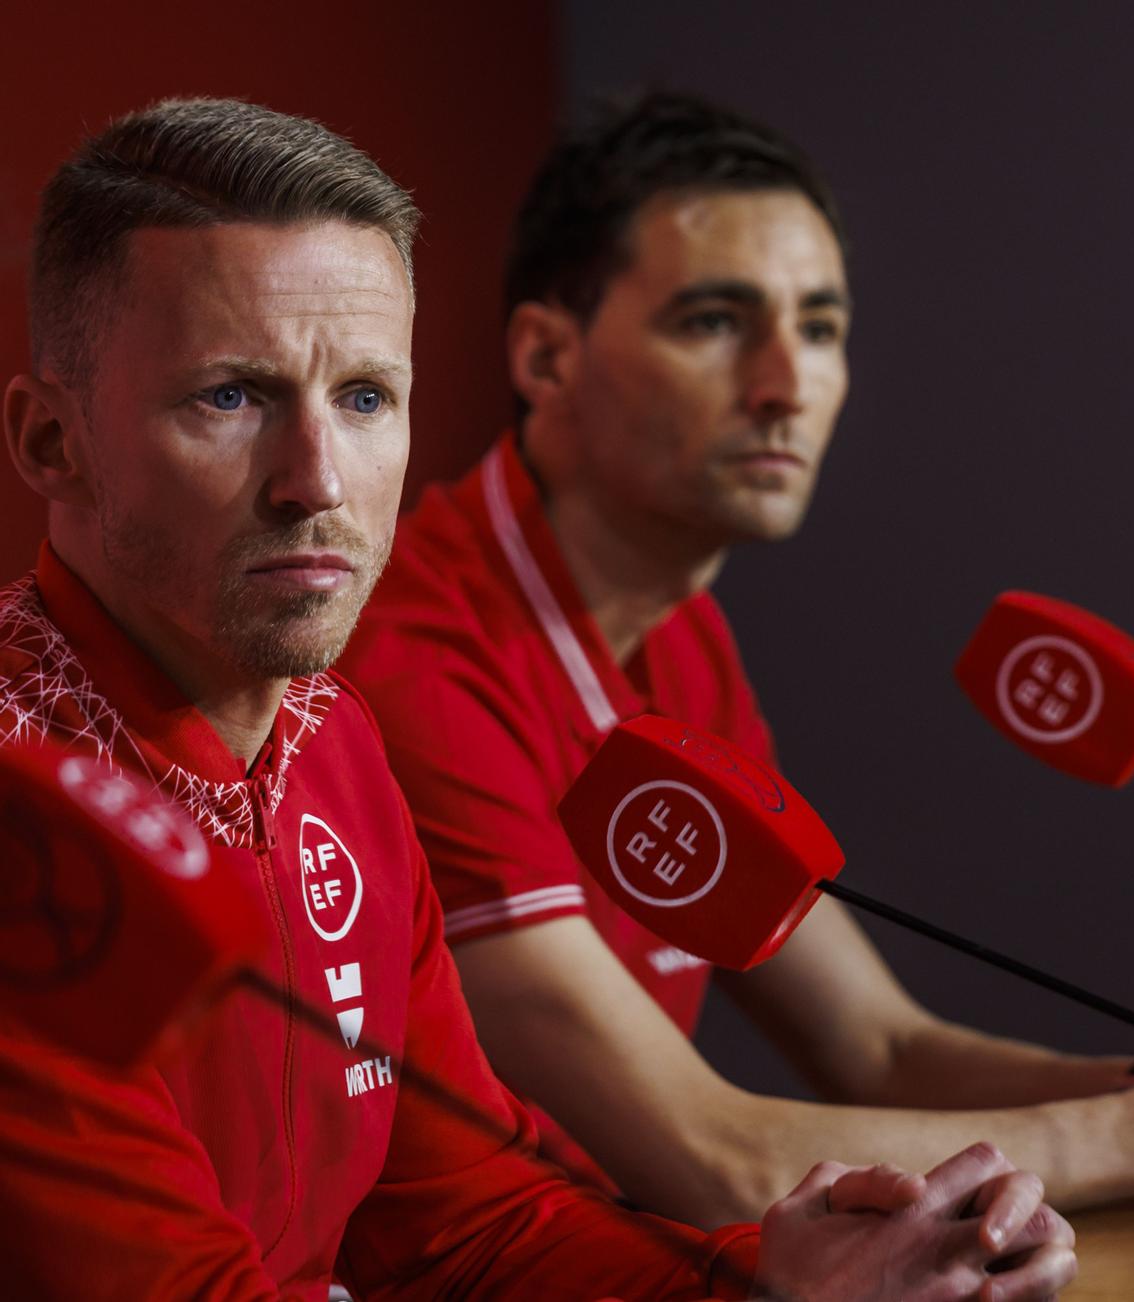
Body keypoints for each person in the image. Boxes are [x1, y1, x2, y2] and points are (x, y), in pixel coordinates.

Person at [0, 96, 1075, 1300]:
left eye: (364, 398)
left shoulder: (329, 737)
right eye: (230, 397)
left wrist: (772, 1279)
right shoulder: (24, 836)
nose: (316, 483)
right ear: (51, 443)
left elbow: (477, 1223)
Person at [341, 92, 1134, 1226]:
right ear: (546, 356)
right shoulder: (411, 658)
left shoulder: (678, 636)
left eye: (822, 326)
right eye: (713, 321)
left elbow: (879, 1049)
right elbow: (707, 1154)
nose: (786, 384)